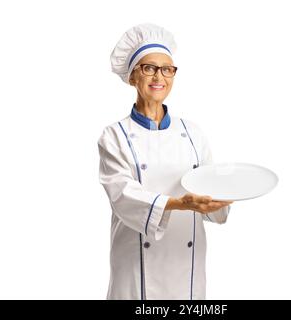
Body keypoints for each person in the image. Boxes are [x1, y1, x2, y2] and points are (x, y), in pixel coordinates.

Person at [98, 23, 233, 300]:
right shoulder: (115, 135)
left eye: (167, 69)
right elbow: (123, 196)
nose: (159, 76)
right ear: (133, 76)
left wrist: (222, 198)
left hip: (187, 271)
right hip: (137, 271)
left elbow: (211, 194)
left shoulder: (193, 133)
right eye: (149, 68)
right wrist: (178, 204)